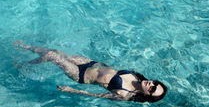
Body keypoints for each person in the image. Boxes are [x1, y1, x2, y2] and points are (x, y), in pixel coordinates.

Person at [14, 40, 167, 103]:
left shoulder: (125, 94)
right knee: (56, 51)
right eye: (155, 83)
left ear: (147, 96)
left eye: (152, 89)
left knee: (51, 56)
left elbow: (97, 95)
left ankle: (24, 65)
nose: (151, 84)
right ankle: (26, 47)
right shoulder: (137, 76)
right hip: (89, 63)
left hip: (81, 75)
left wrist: (72, 90)